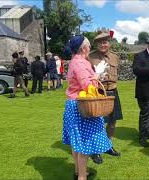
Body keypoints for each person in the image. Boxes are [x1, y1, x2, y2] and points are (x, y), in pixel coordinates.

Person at [62, 35, 112, 180]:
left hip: (74, 104)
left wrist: (96, 75)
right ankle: (82, 177)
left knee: (76, 141)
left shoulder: (76, 61)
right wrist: (97, 75)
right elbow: (87, 86)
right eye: (89, 46)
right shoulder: (80, 63)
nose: (90, 49)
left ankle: (78, 171)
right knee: (83, 141)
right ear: (83, 48)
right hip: (82, 106)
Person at [88, 31, 123, 163]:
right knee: (97, 123)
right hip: (97, 92)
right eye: (99, 42)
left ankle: (108, 146)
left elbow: (117, 73)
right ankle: (95, 151)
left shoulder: (115, 57)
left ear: (109, 43)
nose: (103, 44)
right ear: (96, 44)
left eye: (105, 42)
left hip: (113, 92)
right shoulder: (90, 57)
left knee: (113, 122)